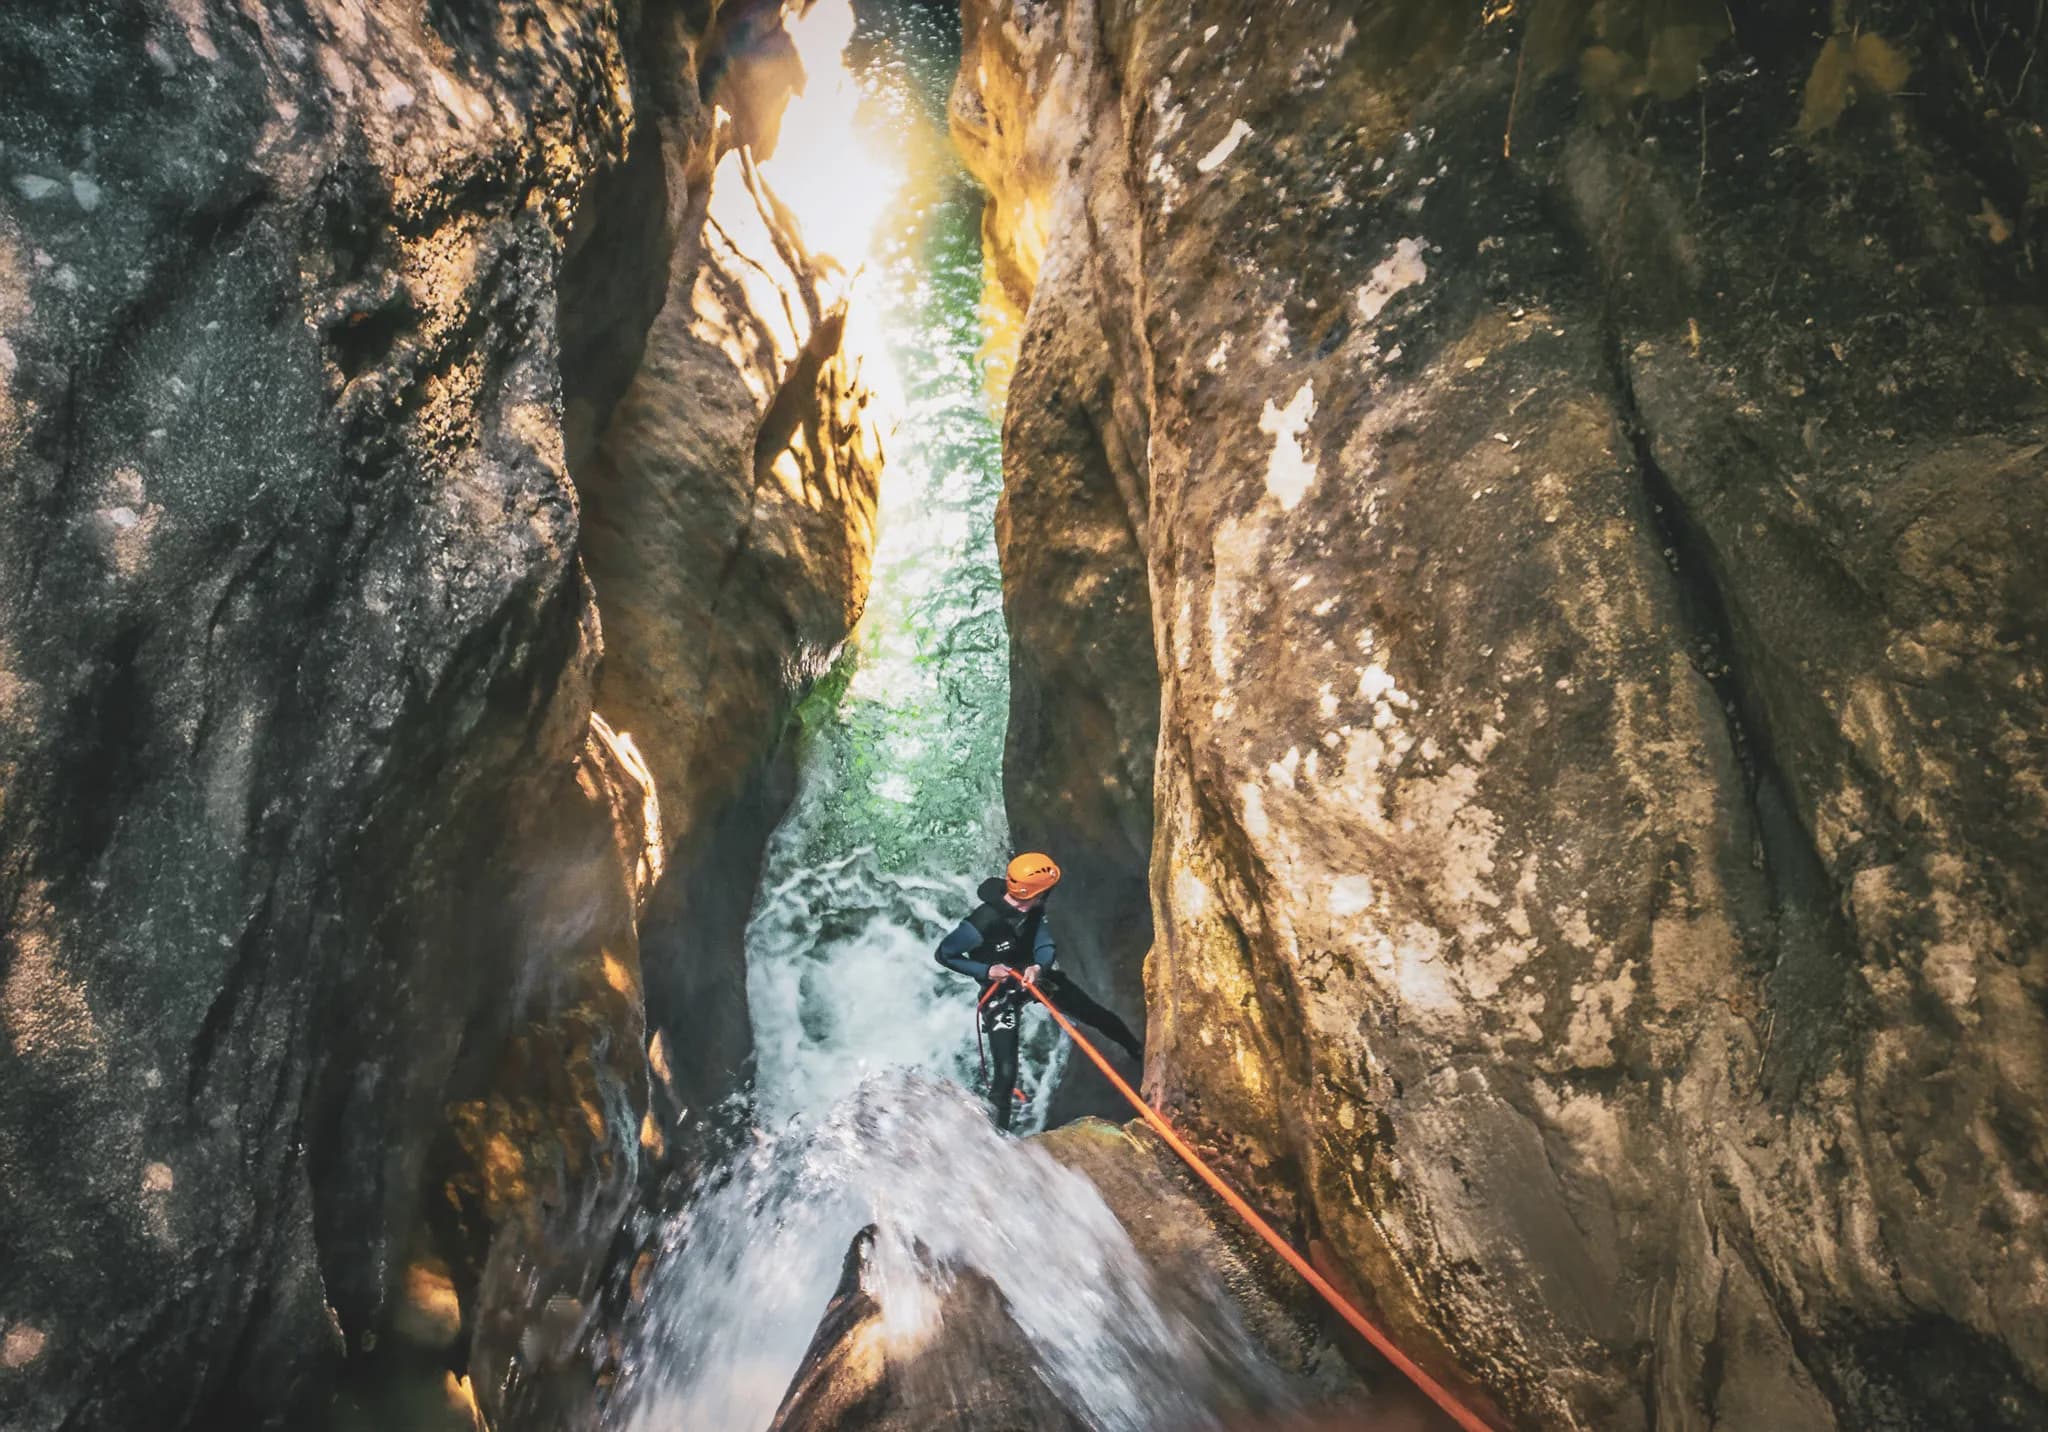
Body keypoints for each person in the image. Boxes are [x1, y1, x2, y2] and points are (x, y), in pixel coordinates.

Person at [934, 852, 1143, 1130]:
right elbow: (946, 953)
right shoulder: (982, 922)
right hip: (1001, 993)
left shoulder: (1033, 908)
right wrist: (986, 972)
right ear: (1037, 892)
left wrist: (1038, 967)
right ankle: (998, 1138)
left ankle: (1138, 1052)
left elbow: (1043, 942)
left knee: (1097, 1015)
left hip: (1032, 979)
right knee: (1006, 1074)